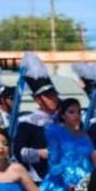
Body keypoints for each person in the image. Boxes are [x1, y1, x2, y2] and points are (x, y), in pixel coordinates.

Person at [14, 52, 61, 181]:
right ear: (38, 100)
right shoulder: (27, 123)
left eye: (54, 95)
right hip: (38, 179)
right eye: (48, 96)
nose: (53, 99)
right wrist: (40, 153)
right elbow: (18, 152)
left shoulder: (61, 120)